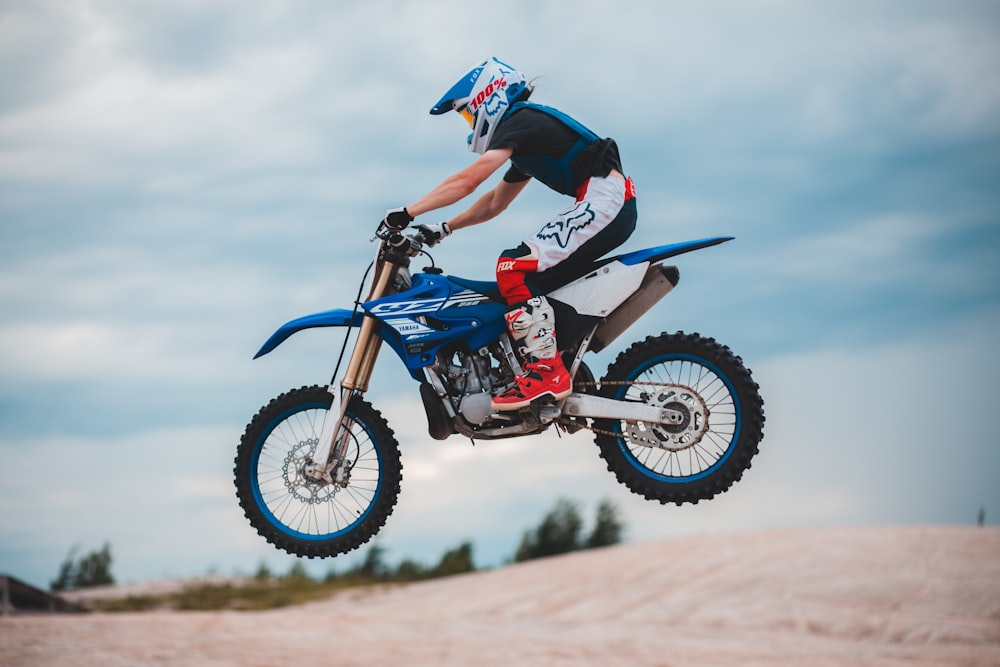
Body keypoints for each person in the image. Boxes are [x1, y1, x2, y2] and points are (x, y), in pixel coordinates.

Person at [379, 57, 637, 411]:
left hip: (605, 200)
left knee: (512, 266)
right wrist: (443, 228)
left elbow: (469, 181)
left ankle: (547, 371)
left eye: (469, 113)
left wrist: (408, 212)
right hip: (605, 200)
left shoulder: (521, 121)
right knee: (527, 275)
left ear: (489, 97)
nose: (470, 123)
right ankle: (554, 357)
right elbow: (495, 202)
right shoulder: (528, 135)